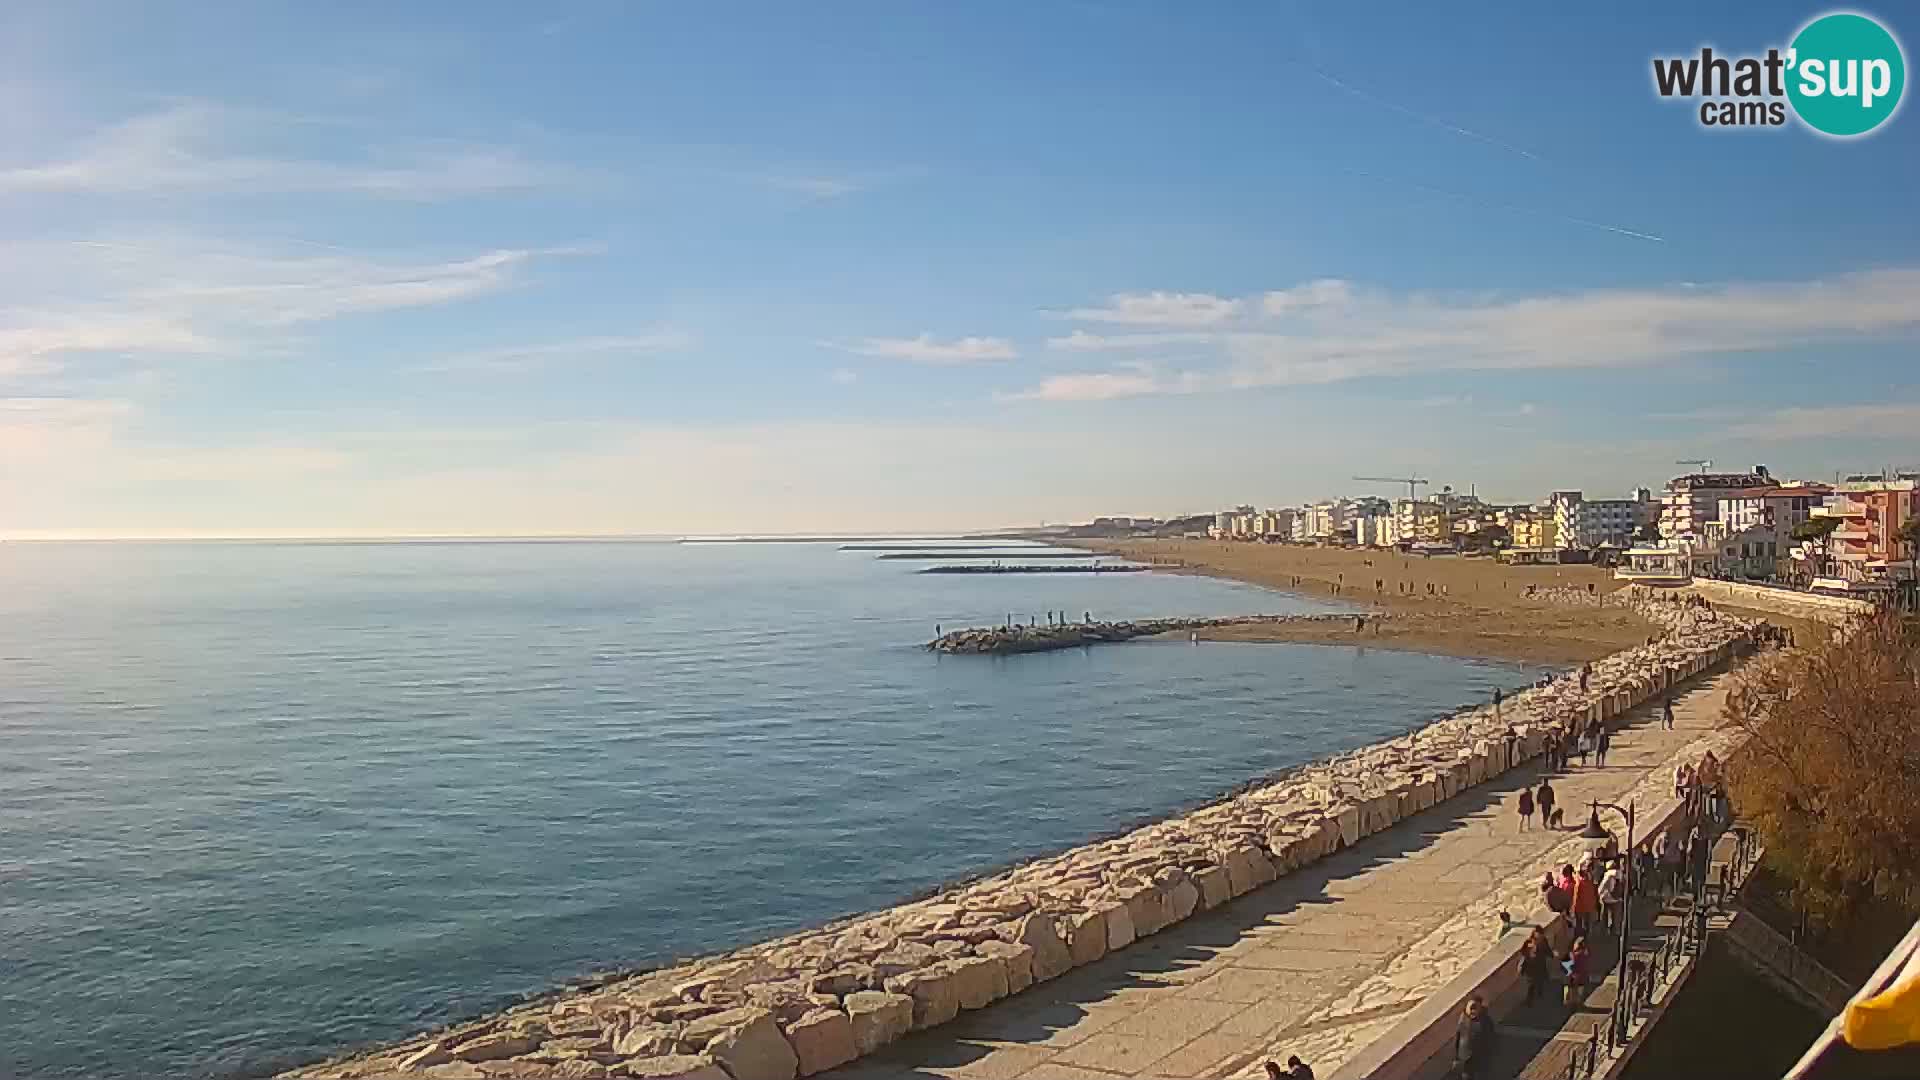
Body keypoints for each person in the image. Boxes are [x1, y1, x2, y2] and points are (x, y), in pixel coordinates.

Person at [1454, 995, 1496, 1080]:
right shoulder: (1463, 1019)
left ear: (1480, 1008)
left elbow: (1491, 1040)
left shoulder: (1486, 1021)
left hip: (1480, 1060)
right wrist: (1456, 1059)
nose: (1473, 1011)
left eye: (1475, 1008)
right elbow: (1458, 1038)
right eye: (1471, 1008)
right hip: (1465, 1059)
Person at [1521, 928, 1554, 1006]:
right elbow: (1524, 953)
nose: (1539, 936)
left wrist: (1551, 954)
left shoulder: (1543, 940)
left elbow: (1546, 949)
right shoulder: (1529, 942)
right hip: (1532, 967)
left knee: (1540, 979)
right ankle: (1530, 1000)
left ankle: (1540, 993)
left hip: (1540, 964)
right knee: (1532, 984)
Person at [1572, 865, 1600, 937]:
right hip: (1590, 907)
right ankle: (1589, 936)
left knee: (1583, 925)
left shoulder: (1579, 884)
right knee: (1589, 925)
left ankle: (1585, 938)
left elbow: (1576, 898)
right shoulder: (1590, 882)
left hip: (1582, 909)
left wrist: (1573, 909)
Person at [1563, 937, 1592, 1005]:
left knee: (1571, 990)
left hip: (1573, 976)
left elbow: (1567, 965)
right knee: (1579, 992)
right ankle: (1577, 1003)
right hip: (1582, 976)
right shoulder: (1584, 954)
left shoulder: (1573, 955)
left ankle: (1570, 1002)